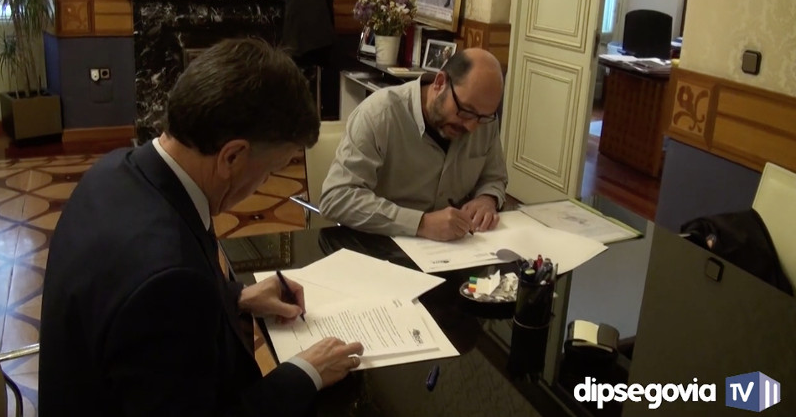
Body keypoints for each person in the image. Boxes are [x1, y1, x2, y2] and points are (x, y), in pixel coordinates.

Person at [38, 38, 364, 417]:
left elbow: (144, 326)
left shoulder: (114, 170)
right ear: (233, 155)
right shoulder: (169, 278)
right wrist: (304, 373)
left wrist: (234, 298)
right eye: (273, 168)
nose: (266, 182)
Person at [320, 48, 507, 242]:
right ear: (440, 83)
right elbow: (337, 198)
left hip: (458, 248)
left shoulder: (485, 121)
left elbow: (494, 177)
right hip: (384, 246)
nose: (472, 126)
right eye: (466, 111)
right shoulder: (380, 115)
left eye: (483, 117)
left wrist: (488, 199)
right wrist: (421, 224)